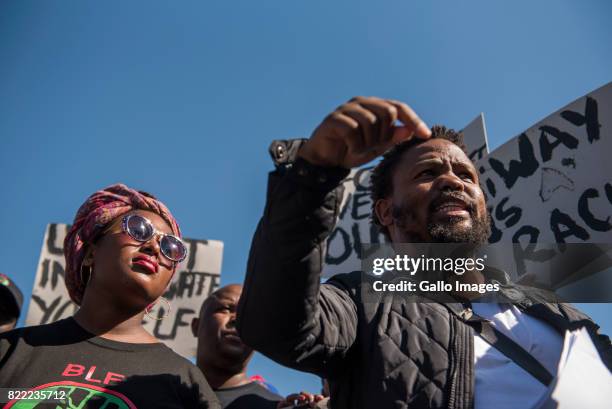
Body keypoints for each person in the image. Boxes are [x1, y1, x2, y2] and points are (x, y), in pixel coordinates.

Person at [236, 97, 612, 408]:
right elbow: (274, 326)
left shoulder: (550, 308)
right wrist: (313, 176)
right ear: (385, 211)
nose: (452, 181)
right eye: (427, 173)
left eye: (466, 176)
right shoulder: (361, 303)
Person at [0, 184, 220, 408]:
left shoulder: (186, 382)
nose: (154, 246)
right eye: (138, 229)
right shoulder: (10, 349)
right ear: (90, 253)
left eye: (169, 247)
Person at [192, 284, 323, 409]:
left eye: (248, 315)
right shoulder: (171, 388)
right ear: (196, 326)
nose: (237, 319)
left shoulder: (276, 406)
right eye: (225, 309)